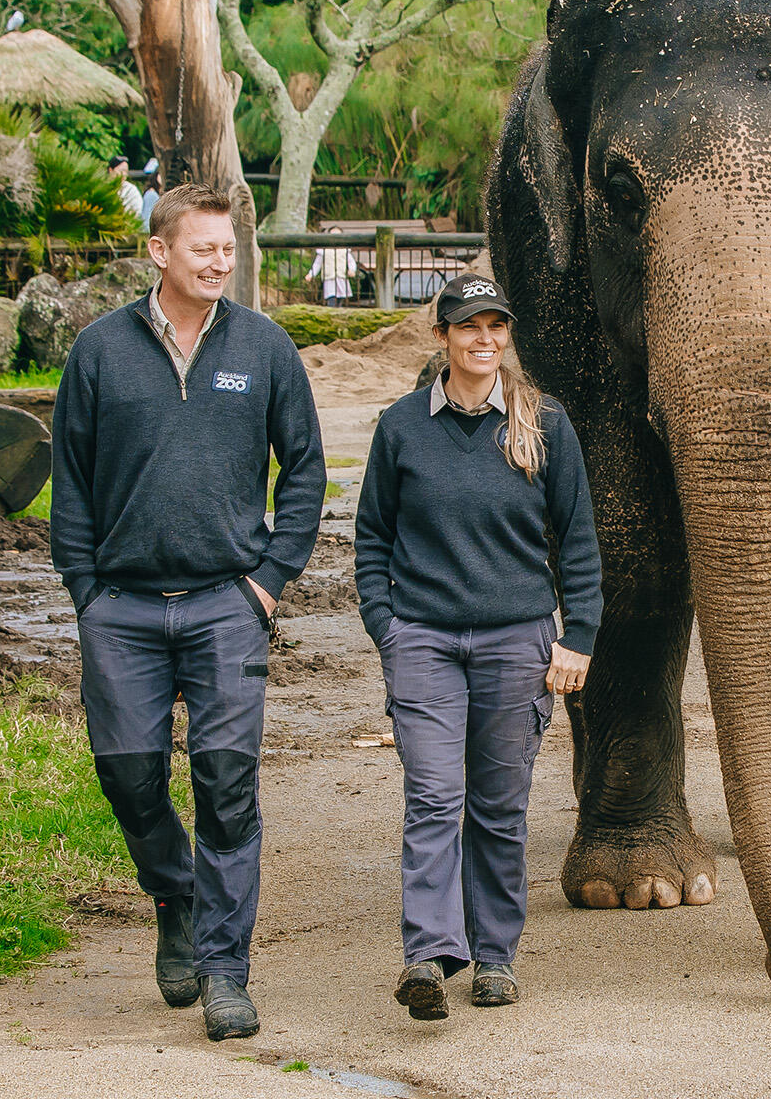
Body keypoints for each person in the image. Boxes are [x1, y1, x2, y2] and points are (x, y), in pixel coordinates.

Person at [49, 182, 328, 1041]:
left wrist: (266, 582)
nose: (221, 261)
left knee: (227, 789)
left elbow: (307, 471)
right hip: (122, 609)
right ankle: (175, 891)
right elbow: (71, 485)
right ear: (159, 252)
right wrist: (87, 594)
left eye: (228, 249)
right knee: (128, 779)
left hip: (224, 606)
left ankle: (224, 974)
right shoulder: (98, 352)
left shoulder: (266, 348)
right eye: (203, 248)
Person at [354, 272, 602, 1022]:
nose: (485, 340)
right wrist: (386, 627)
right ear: (443, 337)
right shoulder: (401, 427)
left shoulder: (544, 425)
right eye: (469, 327)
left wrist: (578, 635)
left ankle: (493, 957)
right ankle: (428, 954)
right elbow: (372, 538)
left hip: (515, 642)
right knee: (434, 797)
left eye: (497, 327)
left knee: (498, 806)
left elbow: (579, 543)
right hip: (423, 640)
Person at [111, 156, 145, 223]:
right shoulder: (102, 186)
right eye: (121, 170)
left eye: (125, 171)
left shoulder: (131, 190)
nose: (123, 174)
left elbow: (137, 212)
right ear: (110, 170)